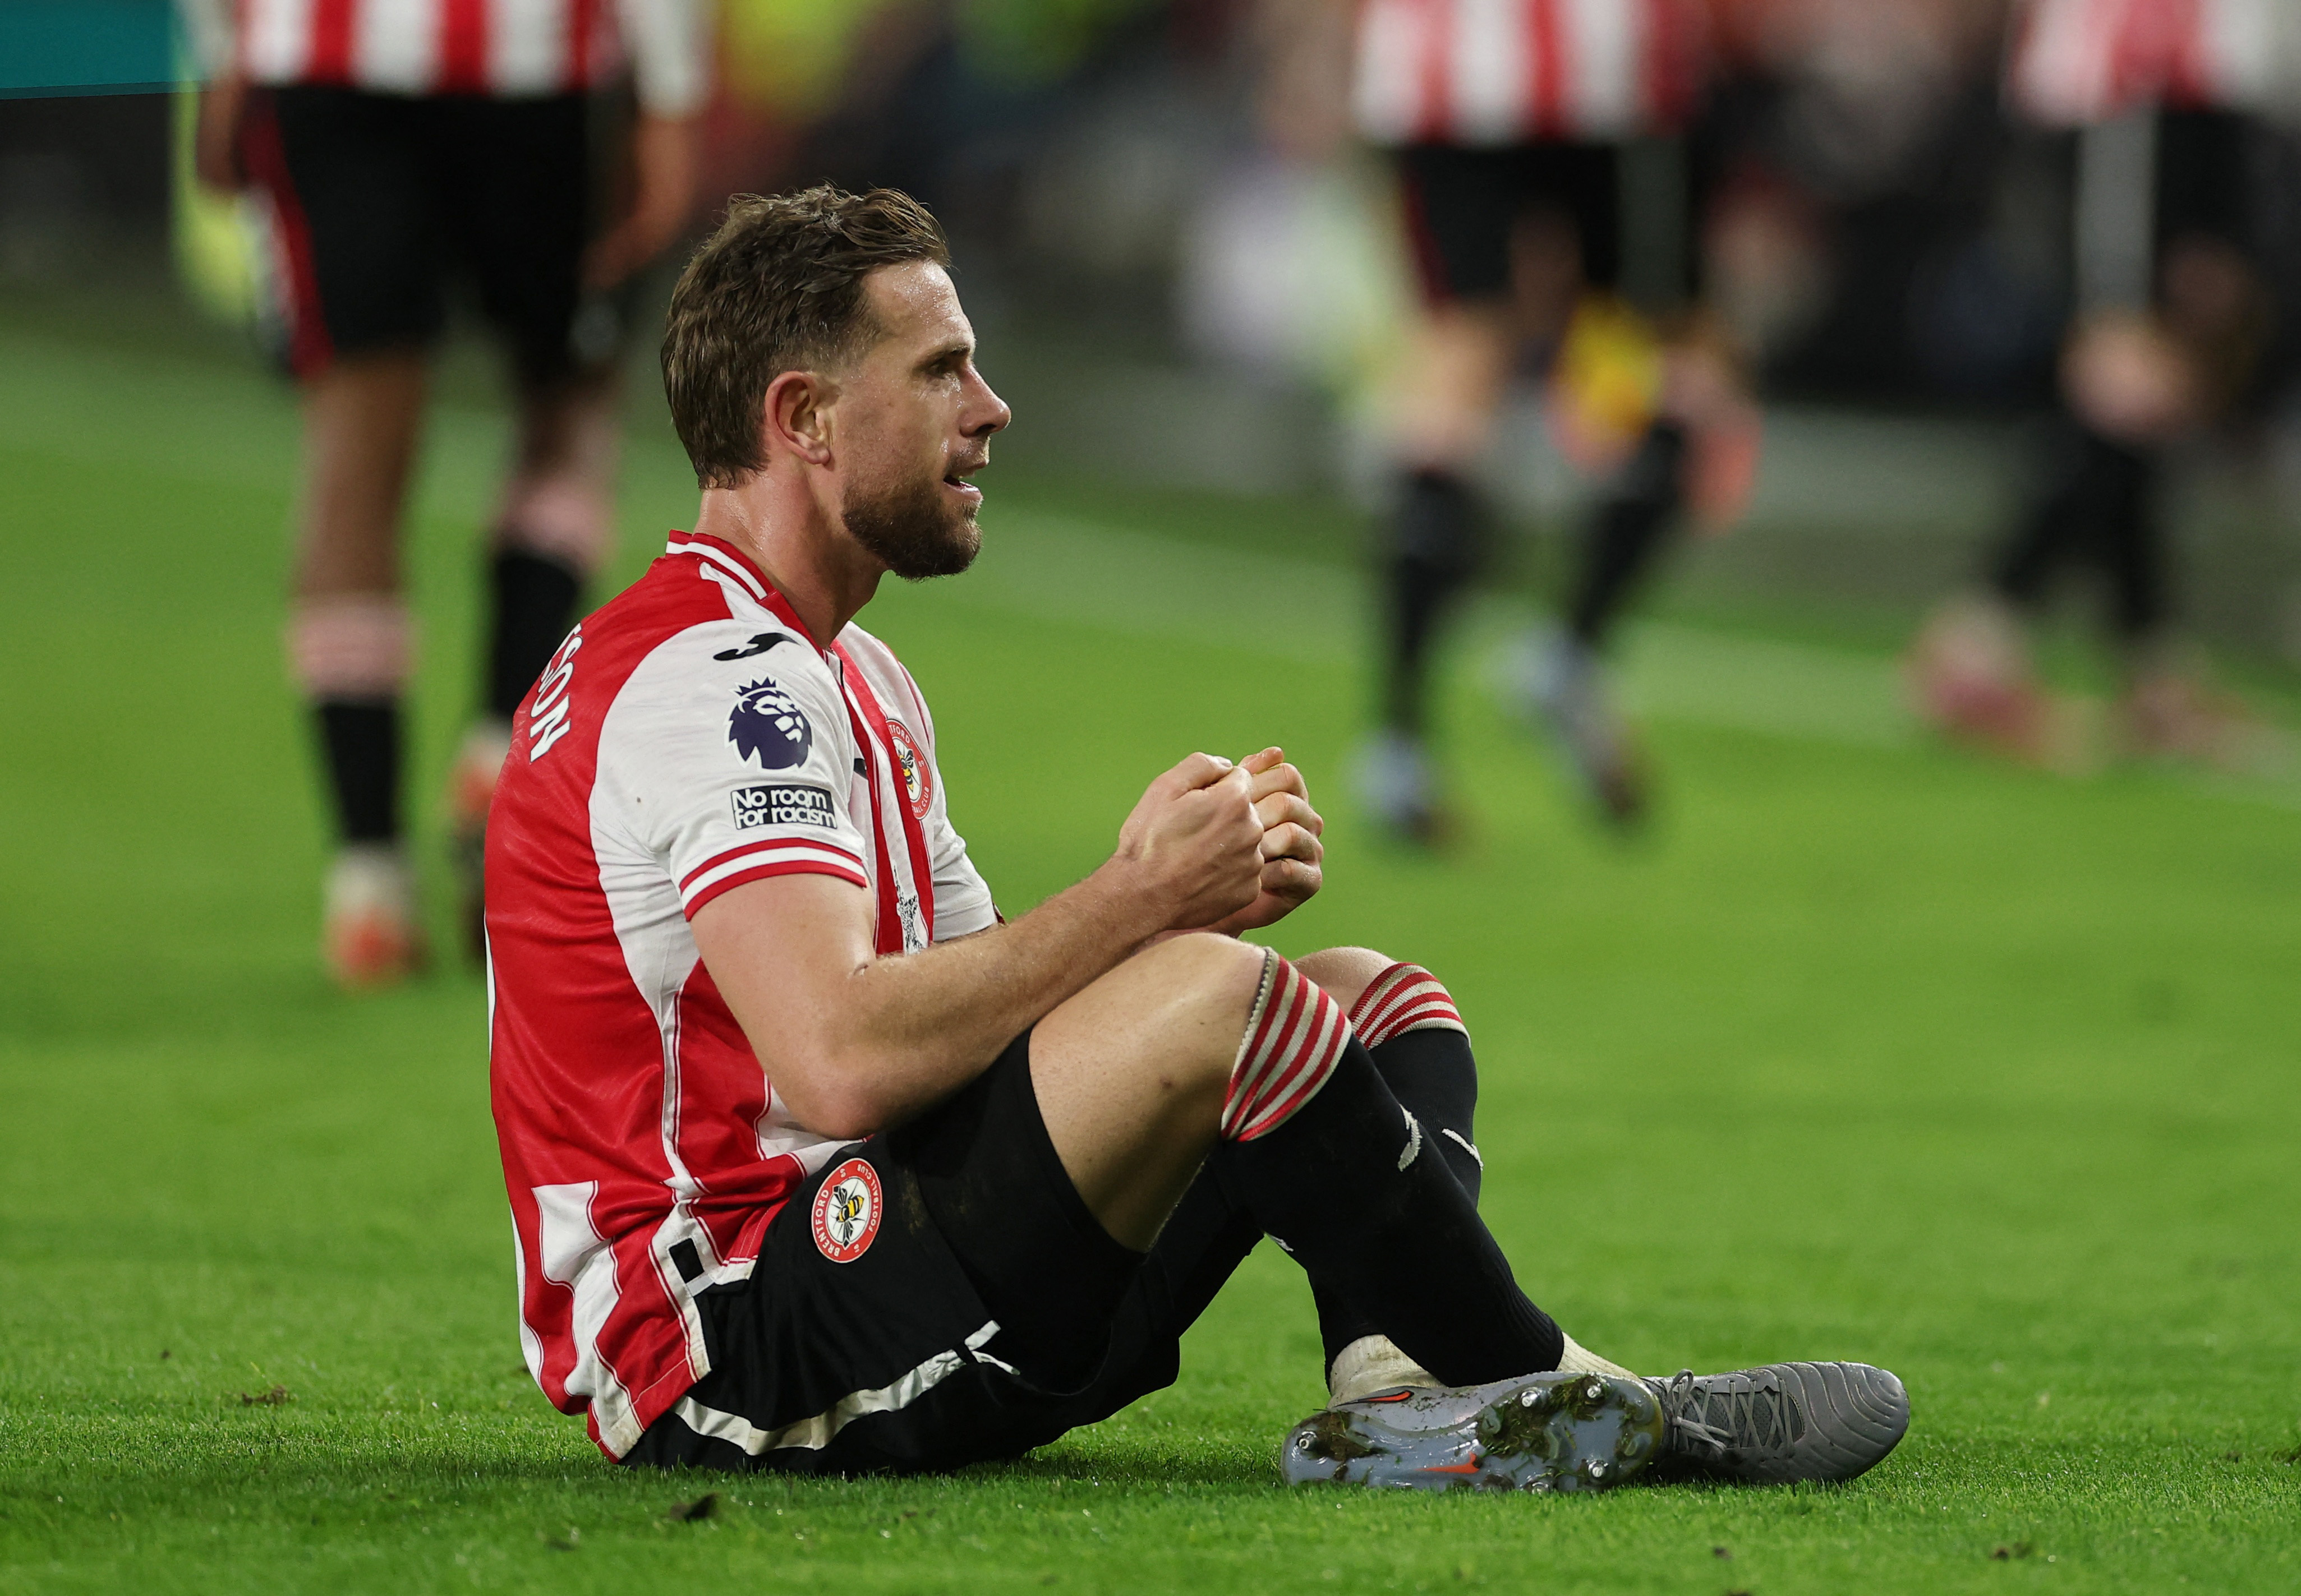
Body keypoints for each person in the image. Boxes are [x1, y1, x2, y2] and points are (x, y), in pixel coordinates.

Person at [484, 184, 1908, 1486]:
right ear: (801, 418)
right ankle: (1580, 1397)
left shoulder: (840, 671)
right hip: (732, 1338)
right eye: (939, 372)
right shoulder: (719, 687)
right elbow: (845, 1060)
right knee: (1224, 1004)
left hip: (875, 1255)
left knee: (1362, 996)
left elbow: (984, 1049)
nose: (990, 407)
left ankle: (1405, 1395)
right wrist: (1139, 904)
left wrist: (1166, 910)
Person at [180, 0, 710, 985]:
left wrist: (219, 56)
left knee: (353, 450)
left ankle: (368, 884)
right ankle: (498, 744)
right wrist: (671, 94)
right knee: (568, 409)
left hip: (320, 58)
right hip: (533, 67)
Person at [1346, 0, 1760, 834]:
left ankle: (1397, 744)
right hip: (1610, 76)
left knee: (1454, 379)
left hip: (1436, 74)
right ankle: (1569, 649)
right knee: (1678, 375)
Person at [1908, 0, 2290, 772]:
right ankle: (1975, 646)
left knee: (2134, 429)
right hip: (2133, 99)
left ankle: (2151, 673)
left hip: (2184, 106)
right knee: (2119, 397)